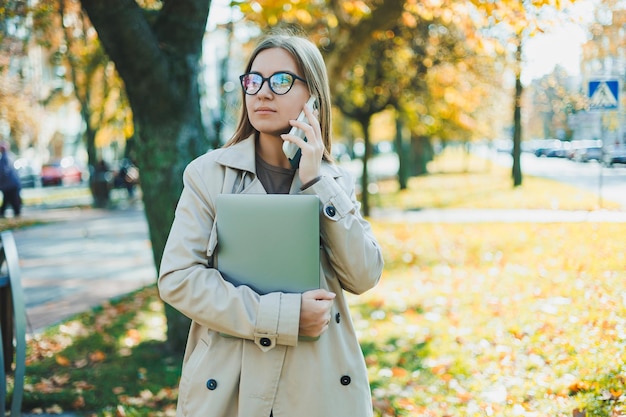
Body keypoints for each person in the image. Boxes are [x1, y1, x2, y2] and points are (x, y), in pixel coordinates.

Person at [158, 31, 384, 417]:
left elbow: (363, 275)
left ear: (313, 96)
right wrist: (284, 317)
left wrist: (316, 182)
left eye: (281, 81)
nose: (262, 93)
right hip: (231, 384)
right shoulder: (208, 174)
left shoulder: (335, 182)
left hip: (318, 386)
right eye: (253, 80)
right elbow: (178, 278)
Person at [0, 142, 22, 218]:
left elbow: (4, 171)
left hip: (9, 184)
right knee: (9, 199)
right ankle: (16, 213)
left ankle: (16, 213)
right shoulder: (10, 156)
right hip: (12, 183)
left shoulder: (4, 158)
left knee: (11, 200)